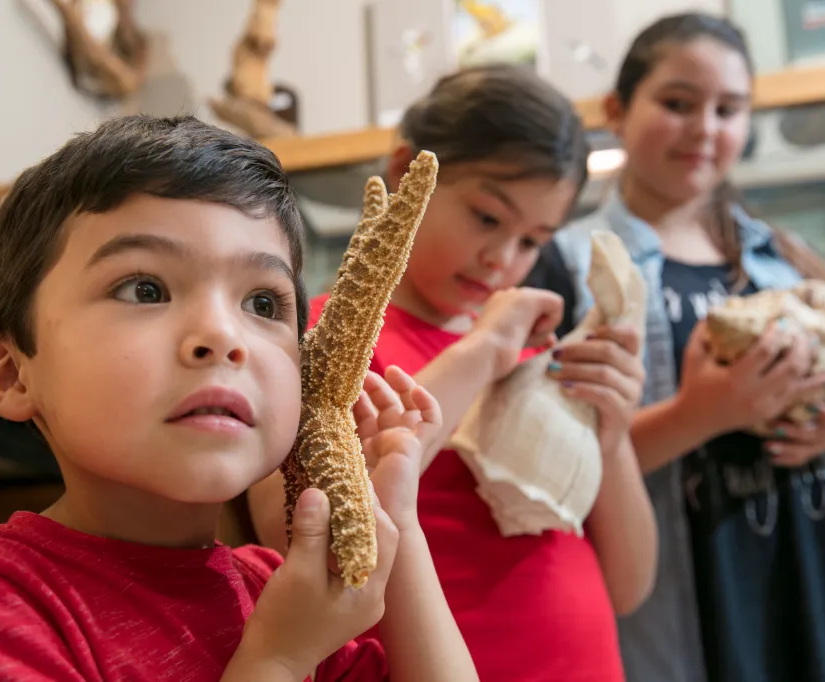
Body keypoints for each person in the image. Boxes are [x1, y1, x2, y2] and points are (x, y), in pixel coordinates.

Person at [0, 115, 482, 682]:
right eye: (145, 288)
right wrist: (276, 660)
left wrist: (394, 522)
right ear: (13, 373)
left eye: (263, 304)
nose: (222, 336)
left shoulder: (284, 588)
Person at [249, 65, 658, 681]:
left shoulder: (529, 361)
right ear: (406, 171)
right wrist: (483, 350)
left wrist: (613, 429)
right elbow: (292, 538)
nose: (504, 258)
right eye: (488, 218)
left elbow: (629, 587)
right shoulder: (326, 345)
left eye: (532, 241)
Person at [527, 13, 825, 682]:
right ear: (617, 110)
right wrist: (700, 414)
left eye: (729, 109)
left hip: (811, 582)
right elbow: (548, 472)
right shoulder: (561, 262)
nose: (706, 128)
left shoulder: (786, 261)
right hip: (674, 611)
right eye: (677, 103)